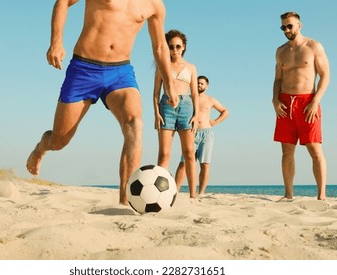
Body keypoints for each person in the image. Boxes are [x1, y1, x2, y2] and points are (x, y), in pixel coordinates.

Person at [26, 0, 179, 206]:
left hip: (120, 72)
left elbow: (160, 46)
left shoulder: (154, 5)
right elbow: (63, 2)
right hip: (84, 68)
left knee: (135, 124)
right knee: (59, 140)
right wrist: (56, 41)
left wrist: (169, 83)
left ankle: (126, 202)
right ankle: (40, 149)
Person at [272, 11, 330, 200]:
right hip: (285, 103)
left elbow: (325, 76)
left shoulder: (314, 46)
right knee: (286, 151)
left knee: (314, 149)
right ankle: (288, 194)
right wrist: (274, 99)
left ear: (299, 25)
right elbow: (277, 79)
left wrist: (315, 101)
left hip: (307, 102)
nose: (287, 30)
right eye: (283, 27)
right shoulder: (281, 51)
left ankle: (321, 196)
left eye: (290, 26)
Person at [153, 29, 200, 198]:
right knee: (164, 153)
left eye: (178, 46)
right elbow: (156, 93)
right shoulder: (162, 66)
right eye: (171, 47)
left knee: (189, 153)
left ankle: (193, 195)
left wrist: (196, 115)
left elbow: (195, 93)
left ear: (184, 47)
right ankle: (158, 193)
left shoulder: (192, 68)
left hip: (187, 108)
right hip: (166, 107)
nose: (175, 50)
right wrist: (156, 113)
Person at [174, 75, 228, 195]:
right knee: (184, 162)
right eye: (197, 83)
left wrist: (214, 122)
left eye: (202, 83)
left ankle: (201, 192)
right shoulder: (188, 98)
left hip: (206, 134)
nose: (199, 85)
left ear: (206, 86)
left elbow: (225, 111)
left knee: (205, 164)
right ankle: (175, 190)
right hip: (191, 132)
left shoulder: (211, 100)